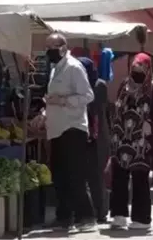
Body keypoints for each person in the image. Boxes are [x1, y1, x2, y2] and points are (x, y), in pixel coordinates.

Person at [43, 33, 96, 232]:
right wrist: (44, 112)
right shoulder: (55, 69)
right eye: (46, 47)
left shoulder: (74, 67)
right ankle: (65, 217)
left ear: (63, 47)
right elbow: (53, 98)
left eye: (51, 47)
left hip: (72, 128)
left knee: (75, 175)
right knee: (60, 175)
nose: (48, 51)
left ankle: (87, 217)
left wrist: (64, 101)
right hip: (57, 128)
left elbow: (88, 95)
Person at [109, 53, 153, 230]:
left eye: (141, 68)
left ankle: (142, 219)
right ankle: (119, 215)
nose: (137, 71)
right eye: (134, 68)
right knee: (119, 177)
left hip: (141, 143)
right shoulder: (124, 86)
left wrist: (151, 125)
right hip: (121, 140)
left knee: (140, 178)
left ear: (148, 69)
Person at [77, 57, 109, 224]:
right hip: (84, 135)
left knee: (96, 176)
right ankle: (89, 211)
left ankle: (101, 211)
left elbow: (94, 107)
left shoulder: (99, 85)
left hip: (96, 136)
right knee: (84, 175)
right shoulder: (83, 85)